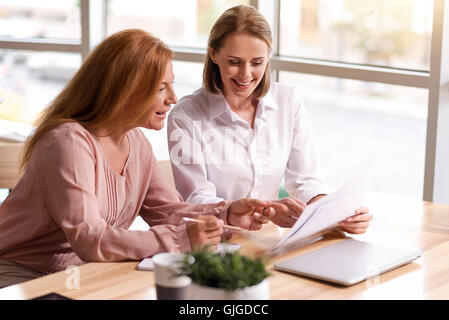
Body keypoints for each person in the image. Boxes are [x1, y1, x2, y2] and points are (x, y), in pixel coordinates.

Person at [0, 29, 278, 289]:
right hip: (21, 273)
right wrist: (181, 239)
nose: (173, 98)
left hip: (82, 272)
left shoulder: (137, 144)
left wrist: (226, 213)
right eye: (160, 88)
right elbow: (89, 238)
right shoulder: (68, 141)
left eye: (171, 85)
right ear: (123, 90)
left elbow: (166, 211)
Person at [167, 5, 371, 232]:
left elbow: (306, 180)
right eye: (234, 62)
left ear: (268, 56)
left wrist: (336, 214)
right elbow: (197, 199)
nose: (246, 74)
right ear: (213, 53)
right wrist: (253, 210)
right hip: (217, 239)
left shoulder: (288, 101)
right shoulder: (186, 116)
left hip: (268, 239)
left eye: (257, 62)